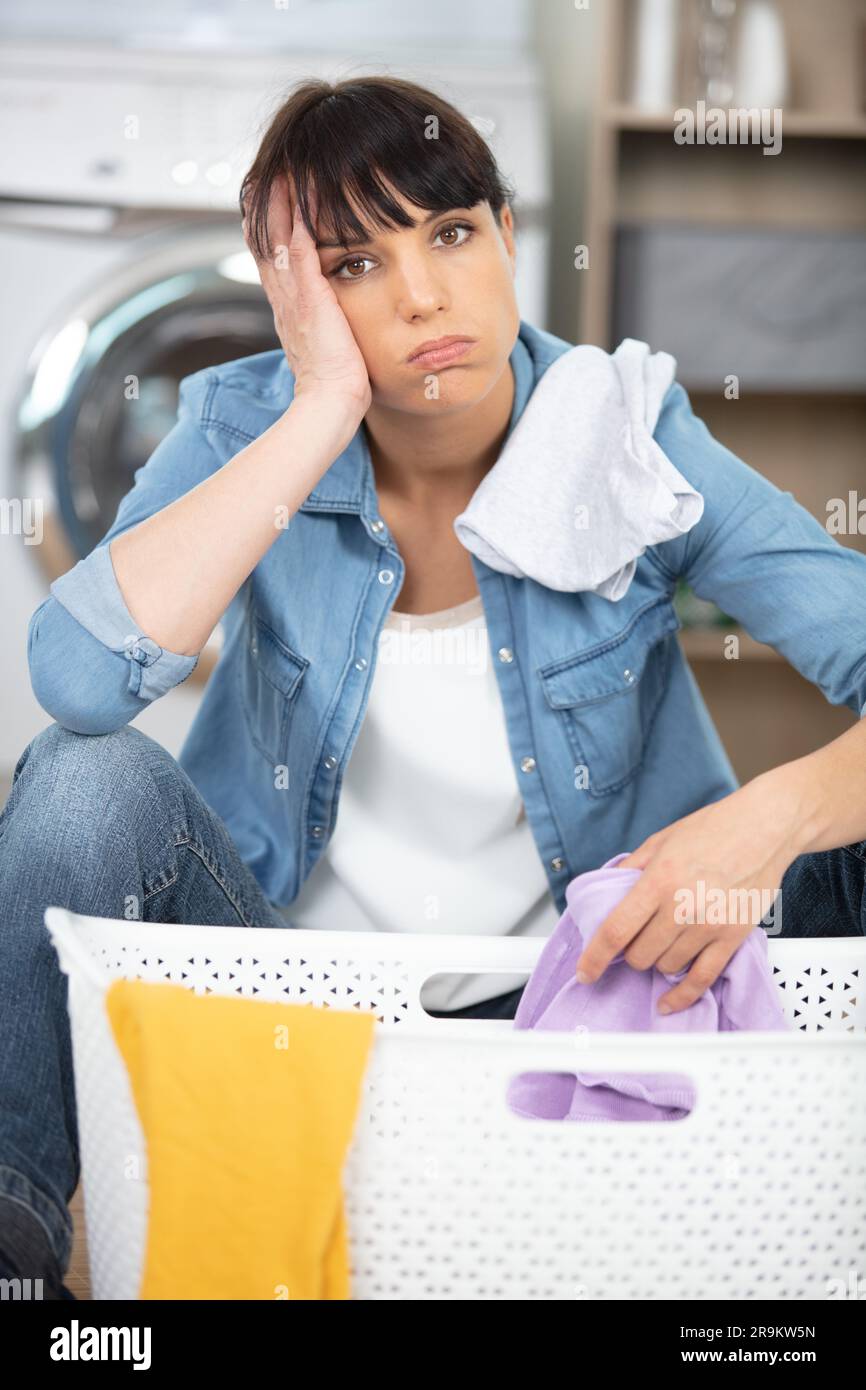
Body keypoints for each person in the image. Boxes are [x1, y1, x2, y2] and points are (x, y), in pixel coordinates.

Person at [2, 75, 865, 1300]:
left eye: (450, 236)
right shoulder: (244, 423)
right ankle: (16, 1266)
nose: (420, 298)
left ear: (508, 235)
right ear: (297, 301)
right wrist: (316, 409)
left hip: (604, 972)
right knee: (80, 780)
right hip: (283, 983)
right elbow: (78, 683)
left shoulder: (627, 432)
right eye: (353, 265)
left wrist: (768, 819)